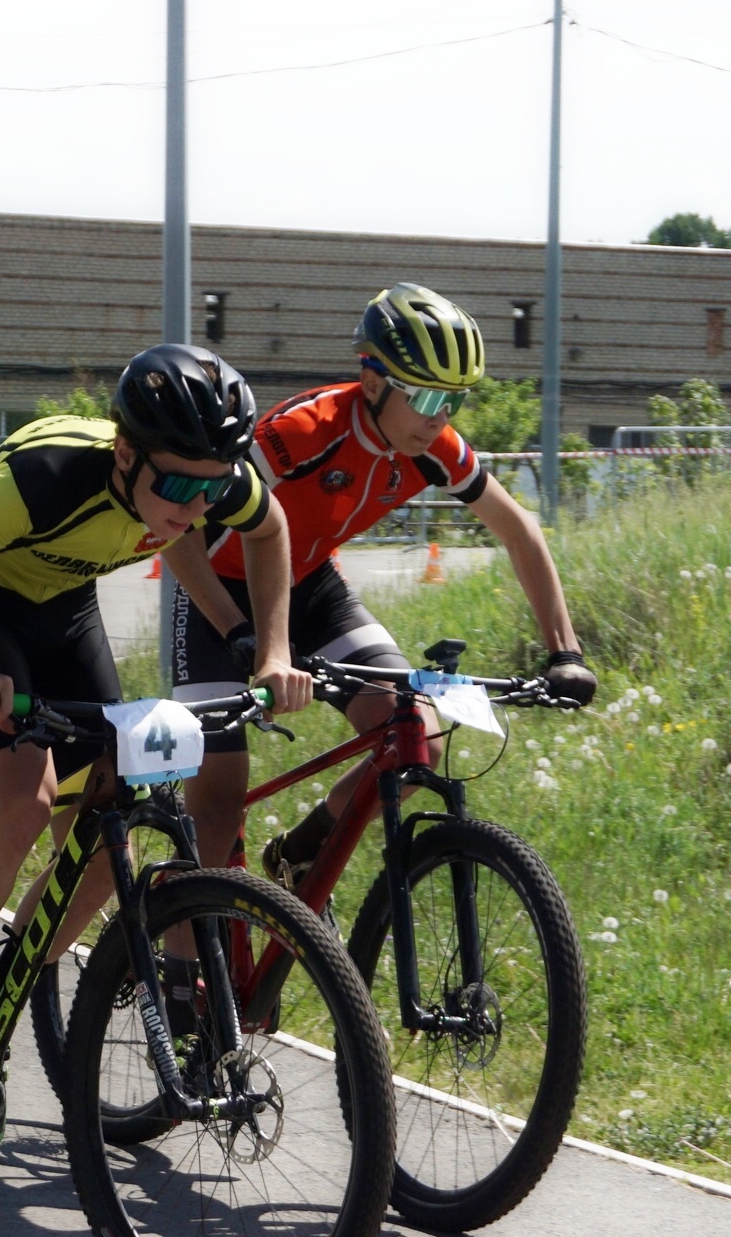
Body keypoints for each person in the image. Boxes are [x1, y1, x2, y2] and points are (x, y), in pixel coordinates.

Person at [0, 343, 311, 1152]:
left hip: (63, 609)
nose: (195, 505)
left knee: (119, 824)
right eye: (177, 486)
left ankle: (4, 991)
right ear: (124, 453)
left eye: (212, 488)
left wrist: (270, 650)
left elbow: (269, 529)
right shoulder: (42, 478)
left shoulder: (199, 478)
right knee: (25, 799)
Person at [173, 284, 595, 881]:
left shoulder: (434, 448)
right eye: (425, 397)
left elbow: (519, 530)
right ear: (372, 384)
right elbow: (182, 529)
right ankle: (183, 938)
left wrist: (565, 653)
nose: (439, 417)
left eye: (454, 399)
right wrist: (238, 630)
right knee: (217, 809)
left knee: (415, 735)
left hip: (310, 585)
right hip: (218, 596)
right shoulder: (303, 433)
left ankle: (300, 853)